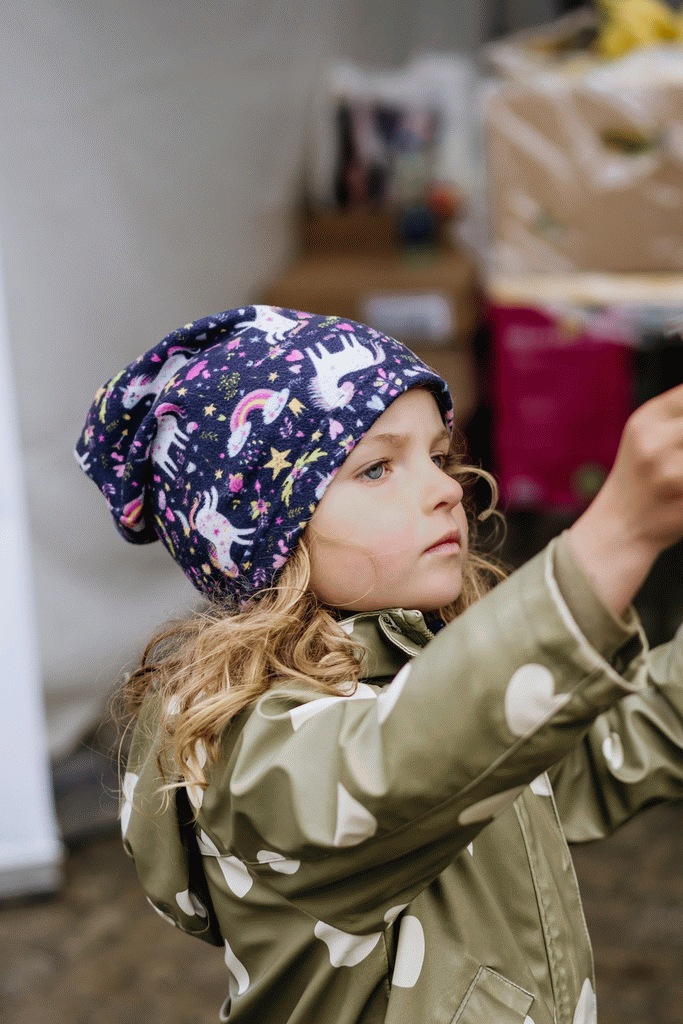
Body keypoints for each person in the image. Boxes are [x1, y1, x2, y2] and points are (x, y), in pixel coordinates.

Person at [76, 305, 683, 1024]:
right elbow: (402, 762)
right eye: (376, 468)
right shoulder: (248, 747)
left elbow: (603, 749)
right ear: (271, 533)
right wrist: (617, 535)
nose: (447, 489)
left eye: (439, 456)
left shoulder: (447, 683)